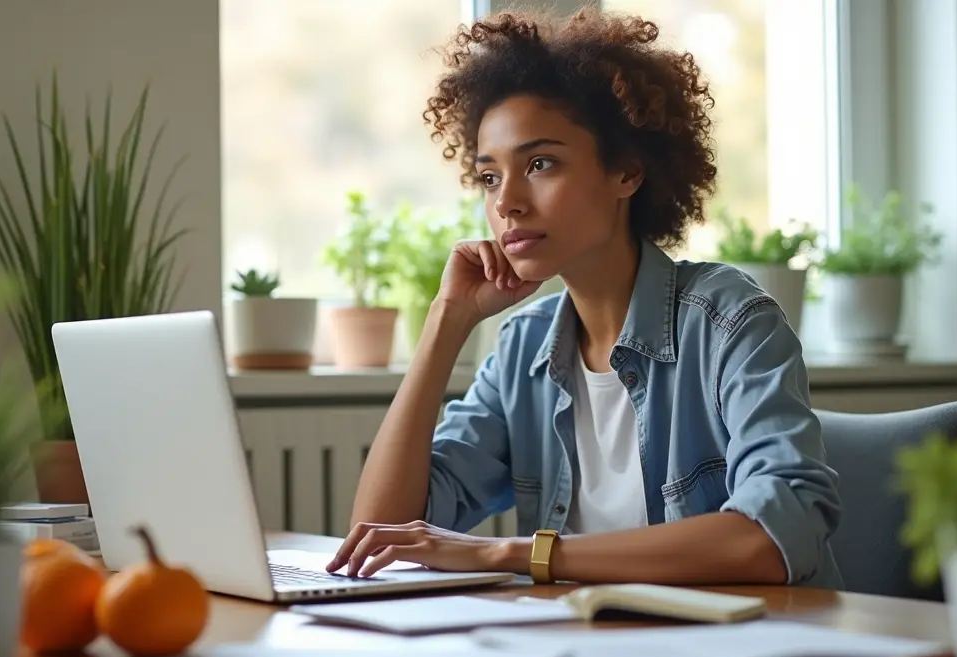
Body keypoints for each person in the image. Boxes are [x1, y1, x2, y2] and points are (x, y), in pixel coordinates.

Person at [324, 7, 843, 589]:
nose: (507, 203)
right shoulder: (523, 349)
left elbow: (774, 536)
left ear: (626, 171)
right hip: (586, 652)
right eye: (490, 176)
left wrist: (513, 554)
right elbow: (379, 534)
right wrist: (447, 321)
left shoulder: (729, 323)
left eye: (540, 164)